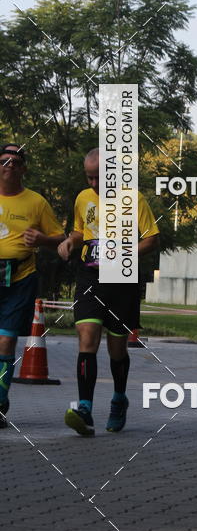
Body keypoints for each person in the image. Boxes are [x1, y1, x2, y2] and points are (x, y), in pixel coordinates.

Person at [58, 149, 159, 437]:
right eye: (89, 177)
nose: (93, 184)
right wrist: (69, 242)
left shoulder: (133, 199)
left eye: (98, 178)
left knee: (117, 348)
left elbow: (152, 239)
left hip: (122, 280)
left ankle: (118, 399)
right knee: (87, 338)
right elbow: (81, 231)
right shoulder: (83, 198)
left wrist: (125, 253)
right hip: (90, 275)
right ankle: (85, 408)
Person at [0, 144, 64, 427]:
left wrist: (42, 240)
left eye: (16, 162)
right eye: (4, 161)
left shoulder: (36, 202)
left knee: (6, 339)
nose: (9, 166)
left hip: (20, 278)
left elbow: (60, 239)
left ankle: (0, 401)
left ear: (24, 169)